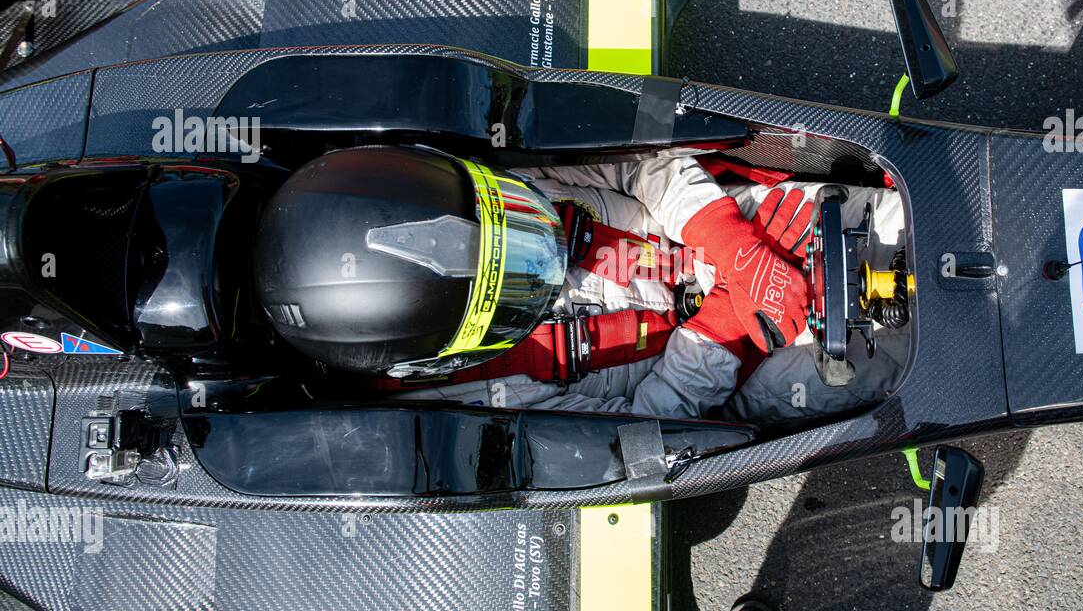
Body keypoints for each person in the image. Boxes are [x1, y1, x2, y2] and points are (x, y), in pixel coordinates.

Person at [253, 145, 906, 423]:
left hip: (711, 231)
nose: (529, 257)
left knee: (874, 216)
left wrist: (736, 249)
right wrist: (730, 325)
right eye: (507, 282)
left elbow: (645, 159)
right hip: (719, 370)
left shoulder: (495, 169)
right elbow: (643, 434)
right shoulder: (470, 404)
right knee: (873, 363)